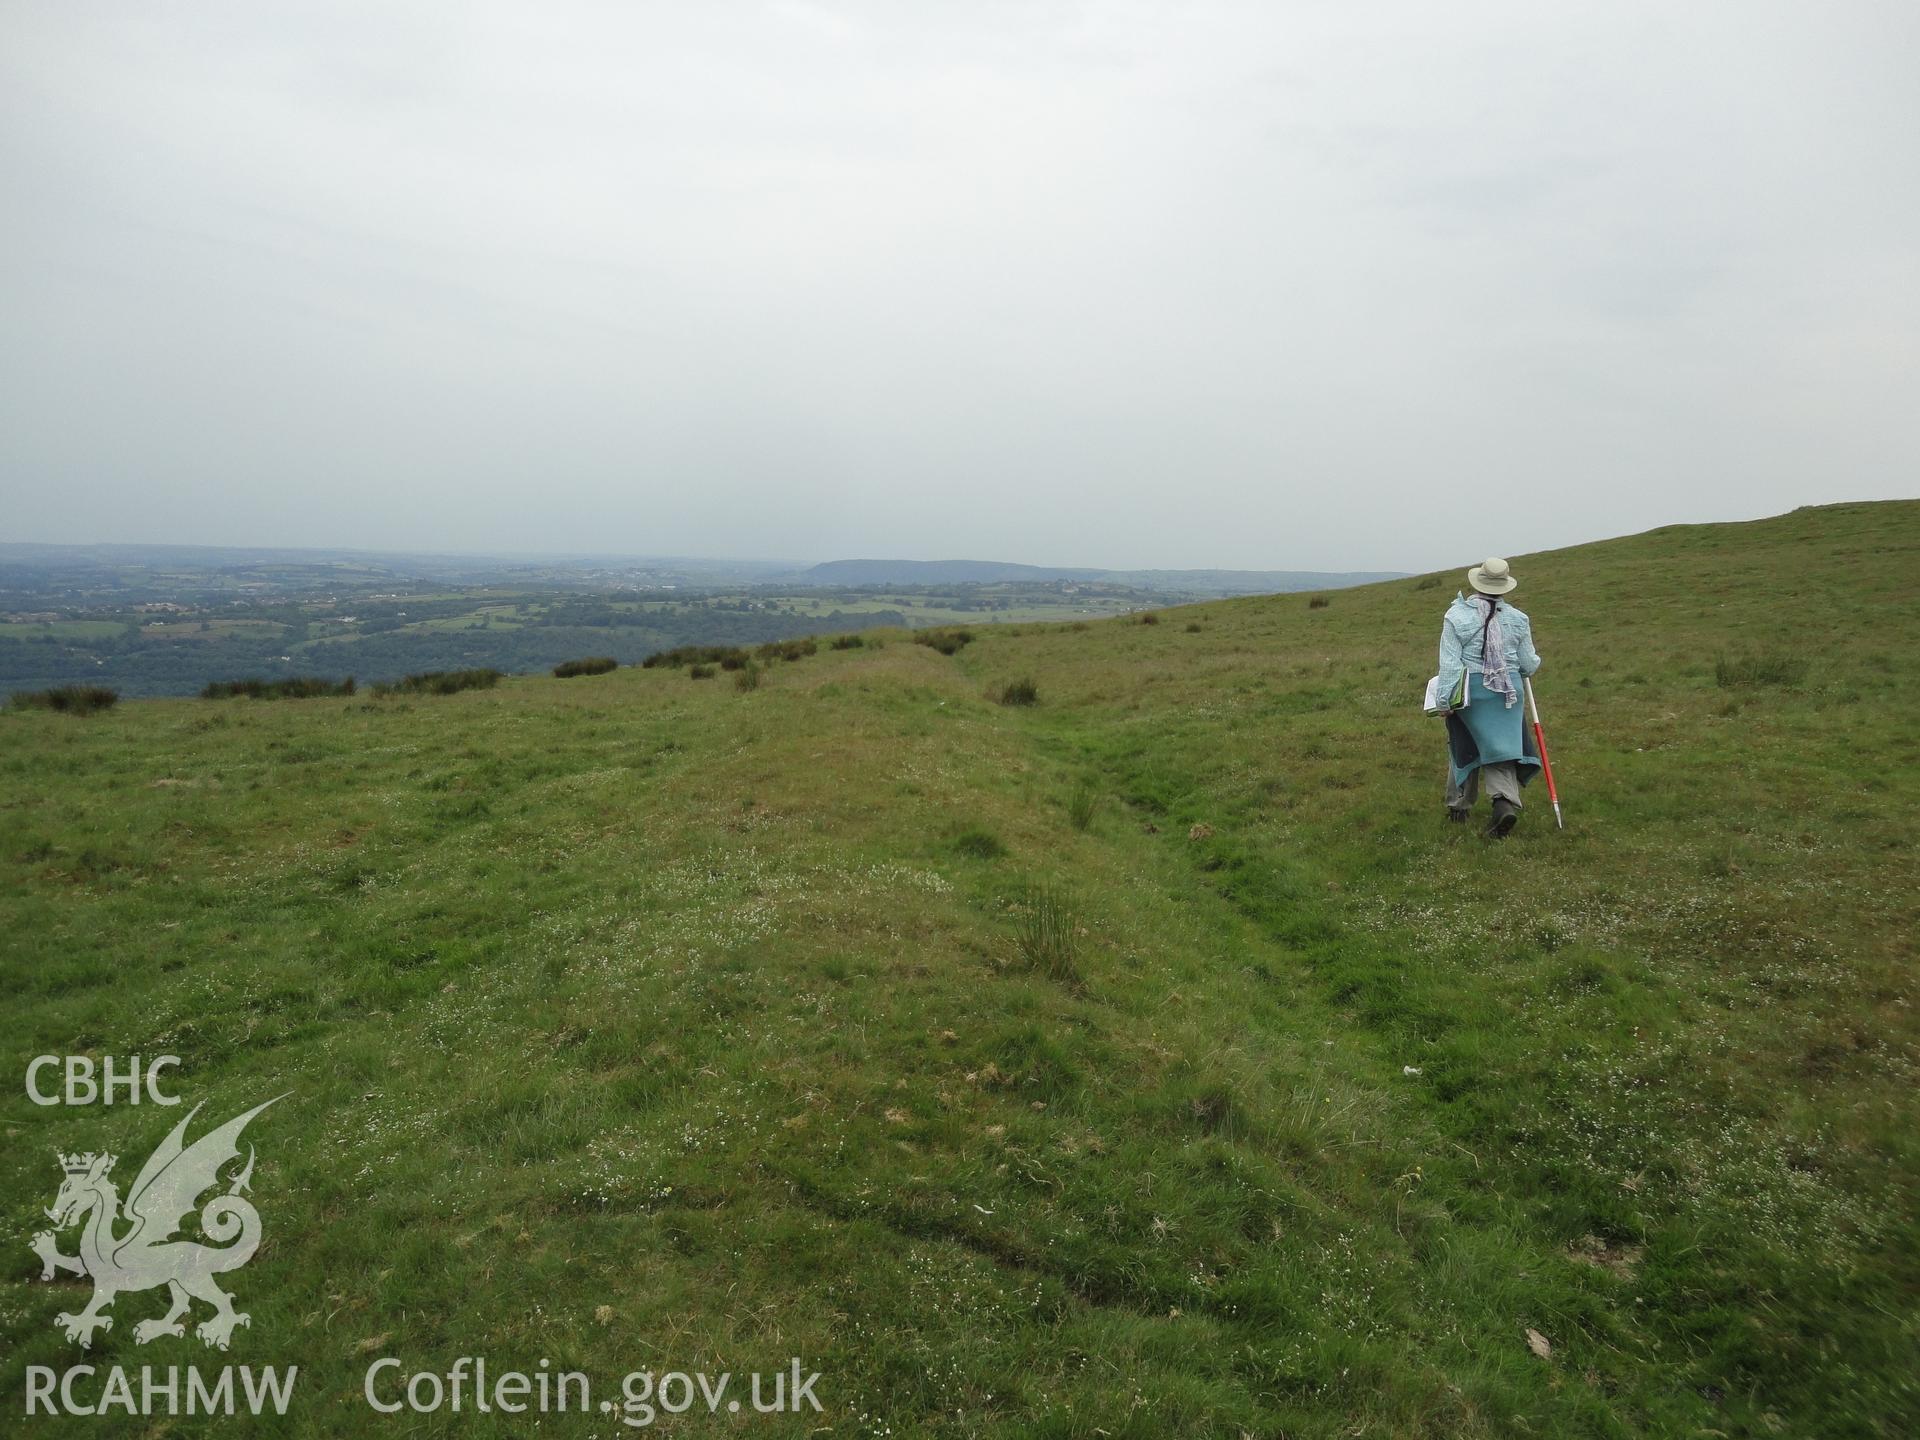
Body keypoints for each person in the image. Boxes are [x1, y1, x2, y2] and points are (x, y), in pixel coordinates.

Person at [1435, 557, 1542, 837]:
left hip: (1473, 691)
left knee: (1464, 744)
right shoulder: (1518, 619)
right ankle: (1503, 803)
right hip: (1509, 691)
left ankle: (1459, 807)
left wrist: (1445, 701)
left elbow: (1450, 664)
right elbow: (1528, 665)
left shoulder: (1456, 616)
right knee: (1503, 749)